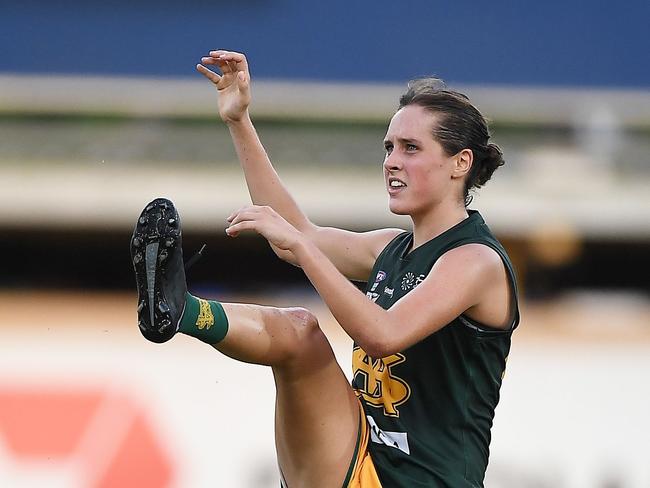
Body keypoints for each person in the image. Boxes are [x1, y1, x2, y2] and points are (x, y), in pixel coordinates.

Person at [131, 50, 519, 487]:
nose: (392, 161)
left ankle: (181, 311)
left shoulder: (476, 260)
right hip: (359, 457)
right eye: (389, 147)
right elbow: (295, 236)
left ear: (461, 163)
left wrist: (303, 246)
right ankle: (180, 311)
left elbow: (382, 334)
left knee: (303, 332)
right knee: (299, 333)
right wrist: (238, 120)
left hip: (420, 481)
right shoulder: (391, 247)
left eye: (411, 148)